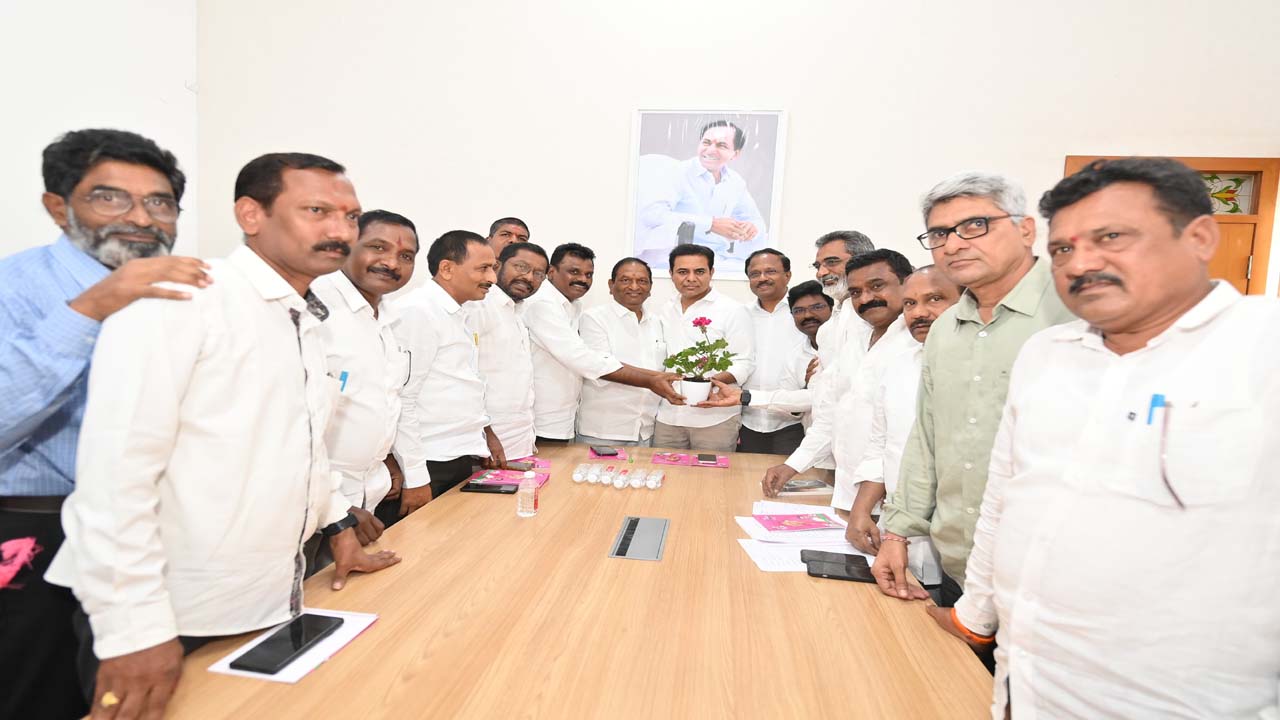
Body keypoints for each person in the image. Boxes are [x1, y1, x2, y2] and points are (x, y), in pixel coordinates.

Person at [45, 152, 401, 718]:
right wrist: (133, 632)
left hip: (267, 600)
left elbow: (302, 445)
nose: (340, 231)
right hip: (171, 617)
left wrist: (337, 526)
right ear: (250, 214)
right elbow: (114, 482)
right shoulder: (182, 299)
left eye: (350, 216)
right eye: (317, 211)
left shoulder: (301, 316)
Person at [933, 158, 1280, 717]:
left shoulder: (1261, 347)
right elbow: (1004, 497)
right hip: (1033, 688)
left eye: (1111, 237)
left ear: (1199, 237)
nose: (1081, 263)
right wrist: (975, 614)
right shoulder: (1048, 354)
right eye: (1063, 249)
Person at [0, 129, 210, 720]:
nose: (141, 218)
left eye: (160, 202)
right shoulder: (13, 287)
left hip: (151, 534)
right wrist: (94, 306)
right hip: (36, 535)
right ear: (57, 206)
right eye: (110, 198)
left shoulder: (187, 291)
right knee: (40, 696)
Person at [873, 172, 1075, 607]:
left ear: (1026, 230)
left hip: (1051, 579)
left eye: (975, 226)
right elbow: (927, 437)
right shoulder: (946, 330)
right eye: (939, 233)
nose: (954, 244)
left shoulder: (1076, 313)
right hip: (960, 566)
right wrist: (897, 532)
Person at [309, 209, 423, 569]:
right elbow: (291, 426)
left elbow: (390, 401)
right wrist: (336, 510)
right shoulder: (315, 309)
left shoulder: (388, 319)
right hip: (314, 503)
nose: (392, 263)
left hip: (366, 496)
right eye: (378, 247)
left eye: (406, 256)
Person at [761, 250, 918, 510]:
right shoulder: (853, 345)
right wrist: (793, 465)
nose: (865, 298)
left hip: (894, 501)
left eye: (877, 286)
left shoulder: (918, 346)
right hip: (850, 494)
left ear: (907, 284)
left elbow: (899, 438)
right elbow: (831, 413)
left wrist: (868, 501)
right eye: (856, 292)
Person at [844, 267, 962, 589]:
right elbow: (881, 444)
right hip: (897, 539)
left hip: (956, 546)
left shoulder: (979, 371)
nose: (919, 313)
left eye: (934, 299)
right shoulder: (898, 366)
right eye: (910, 303)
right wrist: (861, 510)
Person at [522, 242, 682, 443]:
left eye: (588, 274)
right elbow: (584, 360)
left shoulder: (573, 307)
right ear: (551, 272)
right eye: (574, 272)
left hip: (638, 428)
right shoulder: (546, 306)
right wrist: (652, 379)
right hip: (552, 422)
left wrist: (658, 377)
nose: (582, 279)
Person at [395, 231, 508, 497]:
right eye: (483, 268)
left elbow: (461, 384)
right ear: (447, 269)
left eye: (493, 268)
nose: (493, 278)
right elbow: (401, 399)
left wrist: (483, 435)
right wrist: (415, 477)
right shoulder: (417, 311)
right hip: (428, 461)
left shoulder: (458, 312)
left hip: (456, 454)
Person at [654, 245, 755, 452]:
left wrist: (708, 383)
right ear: (671, 274)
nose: (691, 278)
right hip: (669, 416)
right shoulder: (665, 309)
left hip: (715, 418)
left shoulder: (732, 310)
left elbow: (744, 362)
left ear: (712, 272)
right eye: (683, 272)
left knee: (711, 473)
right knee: (664, 470)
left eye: (699, 271)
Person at [698, 280, 832, 433]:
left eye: (817, 307)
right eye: (799, 310)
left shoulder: (845, 346)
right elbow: (789, 398)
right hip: (808, 431)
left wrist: (745, 397)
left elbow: (826, 396)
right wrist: (806, 387)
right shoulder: (796, 355)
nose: (808, 315)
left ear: (833, 308)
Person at [635, 120, 769, 271]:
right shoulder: (677, 172)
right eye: (706, 142)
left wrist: (751, 227)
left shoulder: (735, 181)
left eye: (721, 145)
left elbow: (755, 219)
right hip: (674, 259)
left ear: (735, 154)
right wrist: (710, 224)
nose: (711, 150)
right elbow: (653, 216)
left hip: (717, 258)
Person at [466, 241, 548, 460]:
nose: (529, 277)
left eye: (538, 274)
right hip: (486, 444)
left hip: (517, 441)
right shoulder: (478, 306)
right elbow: (465, 377)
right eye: (521, 267)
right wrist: (485, 432)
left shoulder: (517, 312)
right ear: (498, 265)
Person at [576, 258, 666, 446]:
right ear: (611, 285)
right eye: (626, 280)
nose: (634, 286)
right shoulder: (594, 318)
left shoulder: (657, 323)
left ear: (650, 287)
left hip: (646, 431)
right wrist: (655, 379)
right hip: (603, 432)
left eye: (642, 281)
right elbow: (602, 367)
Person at [738, 249, 806, 454]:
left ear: (788, 275)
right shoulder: (740, 314)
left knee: (790, 474)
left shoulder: (805, 311)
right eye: (755, 274)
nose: (762, 278)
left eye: (770, 271)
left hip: (794, 420)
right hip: (747, 420)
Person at [810, 230, 874, 368]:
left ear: (863, 261)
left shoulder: (881, 313)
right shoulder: (826, 329)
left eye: (832, 262)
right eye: (817, 266)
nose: (821, 273)